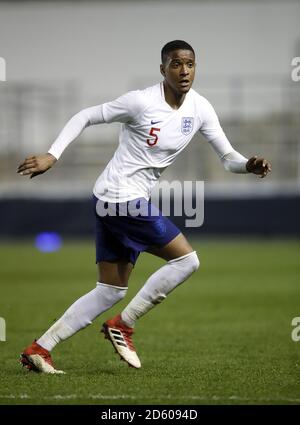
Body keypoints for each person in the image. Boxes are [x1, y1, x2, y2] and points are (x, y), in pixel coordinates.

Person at [18, 40, 271, 374]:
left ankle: (39, 349)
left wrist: (247, 166)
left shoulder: (200, 108)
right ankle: (123, 326)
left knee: (110, 290)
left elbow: (228, 158)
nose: (184, 71)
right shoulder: (140, 102)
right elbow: (86, 115)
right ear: (163, 69)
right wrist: (53, 154)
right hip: (120, 198)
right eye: (176, 64)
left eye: (190, 64)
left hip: (111, 198)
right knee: (187, 261)